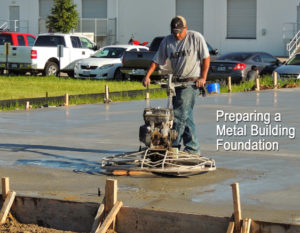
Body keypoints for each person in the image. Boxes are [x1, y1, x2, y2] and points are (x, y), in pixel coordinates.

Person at [142, 16, 210, 155]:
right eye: (175, 32)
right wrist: (147, 75)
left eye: (180, 32)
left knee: (179, 115)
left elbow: (206, 57)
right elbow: (157, 60)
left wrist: (203, 77)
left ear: (185, 28)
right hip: (177, 83)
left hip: (192, 83)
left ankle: (172, 146)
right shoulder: (167, 41)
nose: (177, 35)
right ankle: (193, 148)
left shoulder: (195, 37)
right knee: (186, 116)